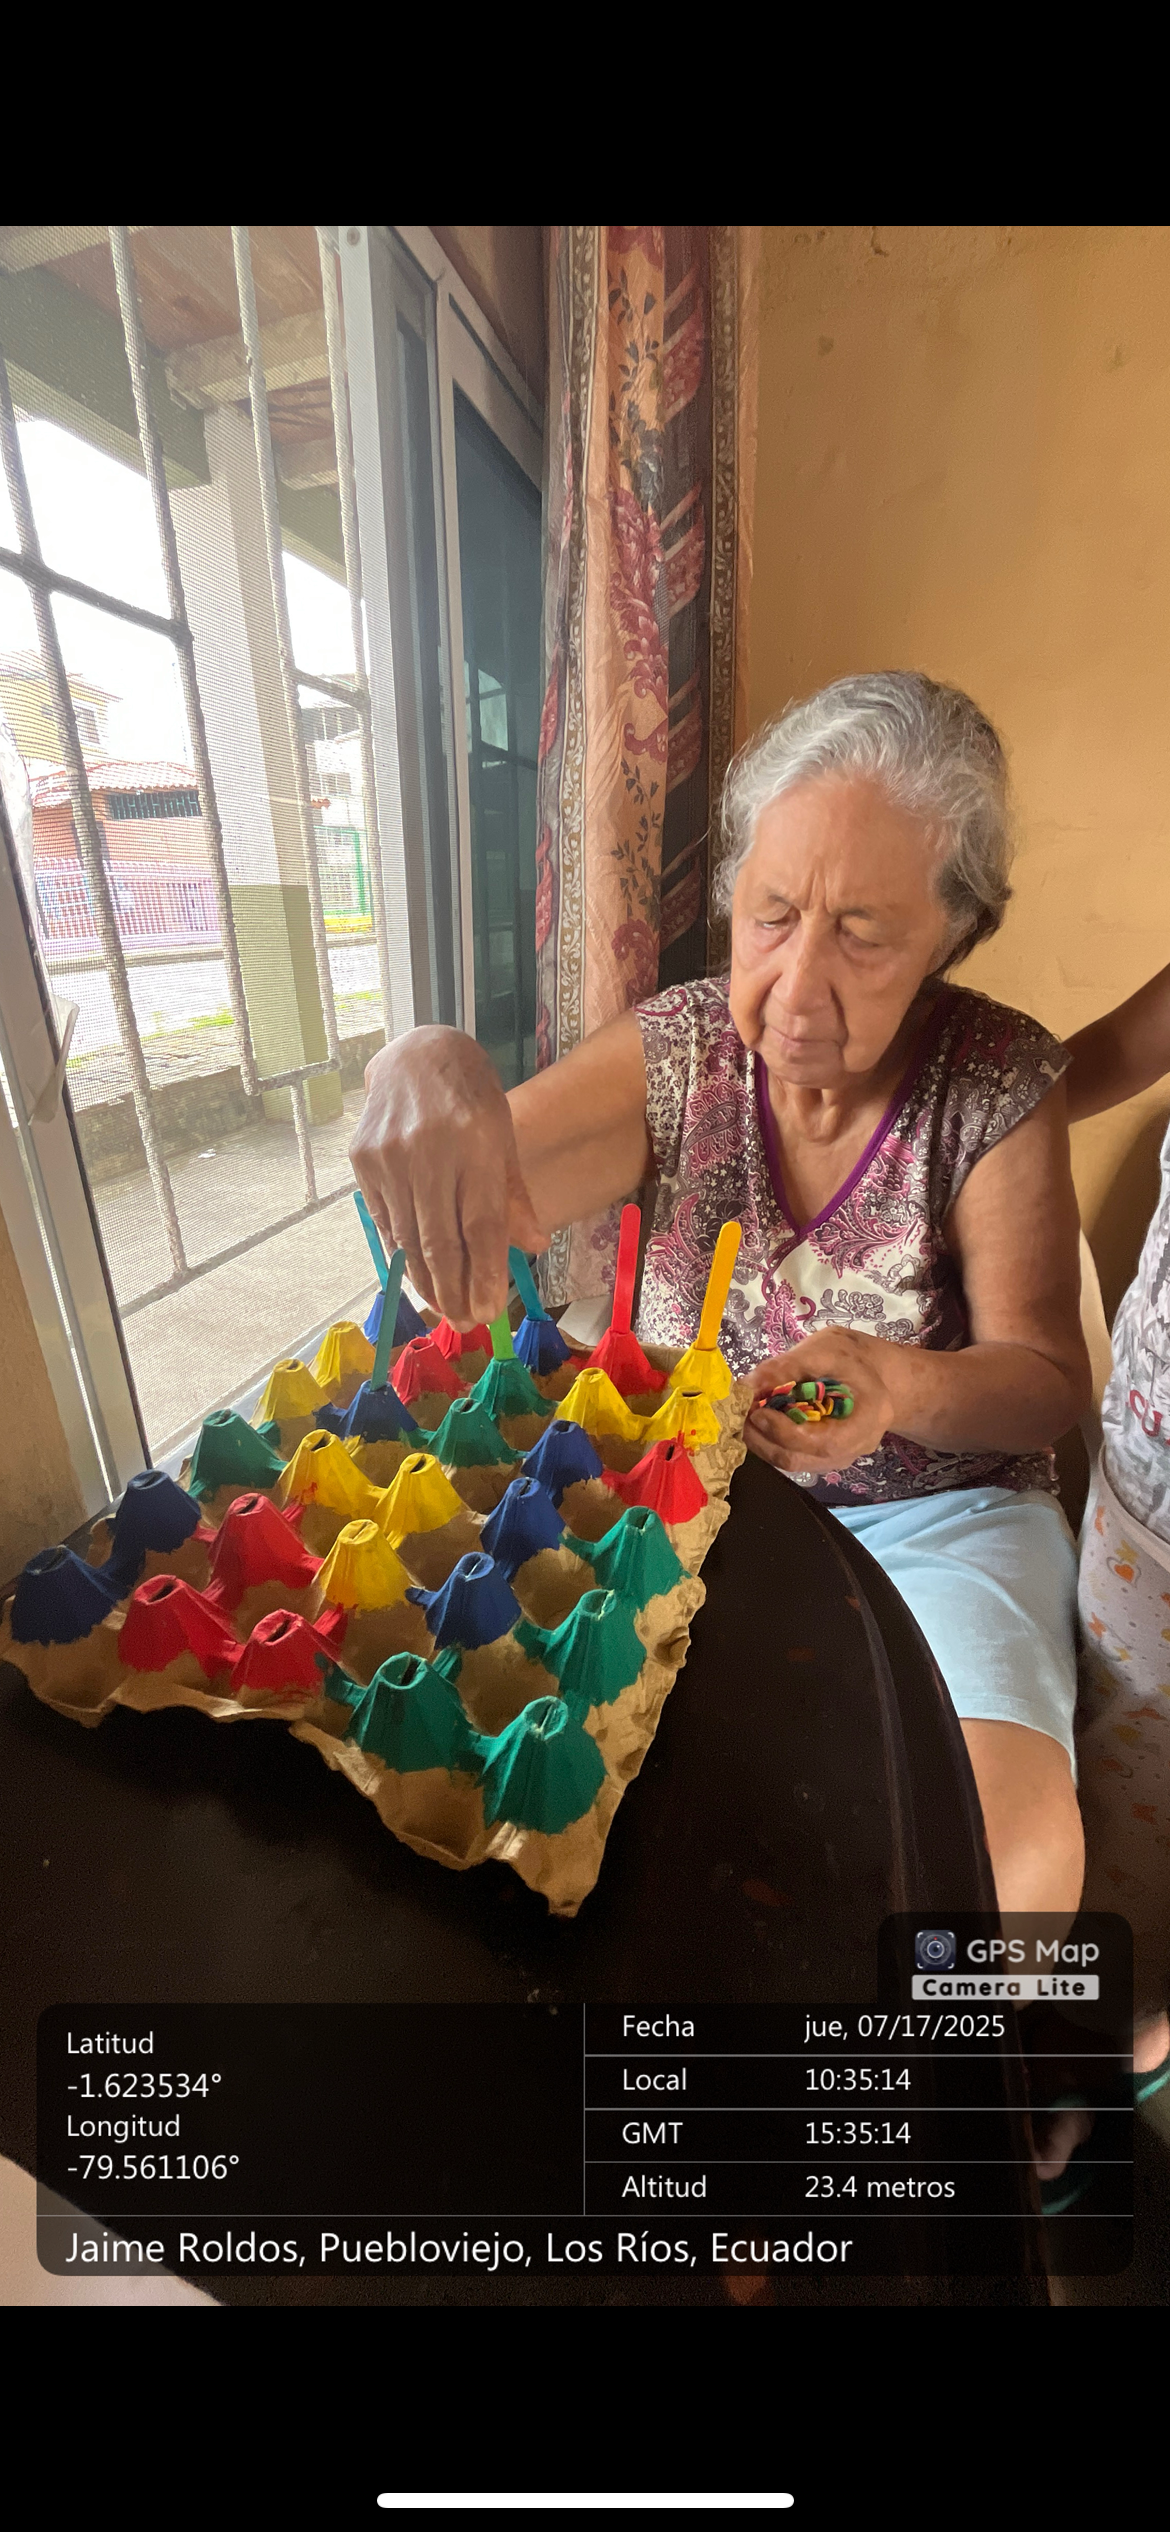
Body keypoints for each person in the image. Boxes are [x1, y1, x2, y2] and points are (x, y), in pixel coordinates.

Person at [351, 672, 1091, 1918]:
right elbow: (487, 1170)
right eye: (772, 915)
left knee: (1000, 1873)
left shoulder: (997, 1081)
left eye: (864, 935)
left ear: (951, 937)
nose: (796, 989)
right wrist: (423, 1060)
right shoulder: (684, 1049)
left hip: (943, 1520)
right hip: (695, 1497)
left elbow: (1047, 1385)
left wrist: (898, 1384)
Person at [1063, 973, 1170, 2088]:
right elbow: (1102, 1058)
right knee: (1113, 1758)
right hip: (1149, 1482)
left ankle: (1125, 2040)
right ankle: (1101, 2025)